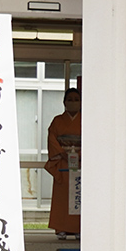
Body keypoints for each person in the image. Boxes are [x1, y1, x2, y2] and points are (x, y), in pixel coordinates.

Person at [44, 88, 81, 239]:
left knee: (78, 194)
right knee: (62, 196)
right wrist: (63, 154)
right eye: (70, 99)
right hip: (62, 163)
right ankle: (61, 228)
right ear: (64, 102)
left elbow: (92, 139)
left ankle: (79, 227)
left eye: (76, 99)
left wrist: (79, 154)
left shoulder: (86, 120)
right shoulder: (57, 121)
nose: (73, 102)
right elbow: (52, 139)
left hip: (80, 163)